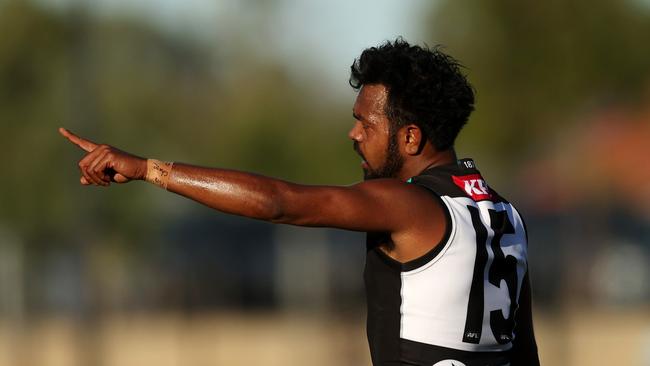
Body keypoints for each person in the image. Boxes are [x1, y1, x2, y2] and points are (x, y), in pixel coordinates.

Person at [60, 39, 539, 366]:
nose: (353, 134)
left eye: (366, 124)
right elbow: (524, 352)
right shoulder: (505, 215)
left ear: (410, 137)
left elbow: (280, 203)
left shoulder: (407, 204)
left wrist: (148, 169)